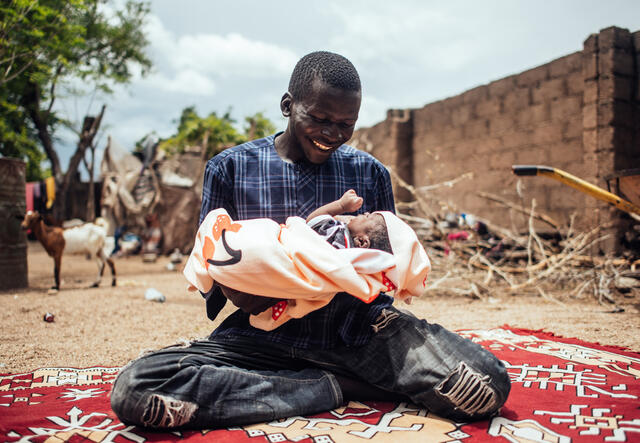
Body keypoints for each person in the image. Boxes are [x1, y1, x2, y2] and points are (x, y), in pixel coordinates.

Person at [110, 51, 510, 429]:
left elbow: (386, 272)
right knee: (138, 389)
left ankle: (301, 385)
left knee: (485, 384)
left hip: (358, 331)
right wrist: (268, 282)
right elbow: (216, 270)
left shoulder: (370, 174)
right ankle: (333, 387)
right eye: (318, 118)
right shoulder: (230, 169)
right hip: (259, 337)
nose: (331, 134)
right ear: (288, 105)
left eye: (345, 124)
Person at [183, 189, 430, 331]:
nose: (361, 213)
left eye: (366, 216)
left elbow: (311, 220)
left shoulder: (338, 235)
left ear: (363, 242)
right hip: (278, 261)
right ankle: (231, 272)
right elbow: (301, 237)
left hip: (278, 274)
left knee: (261, 269)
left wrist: (338, 206)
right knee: (261, 256)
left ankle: (223, 267)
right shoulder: (360, 265)